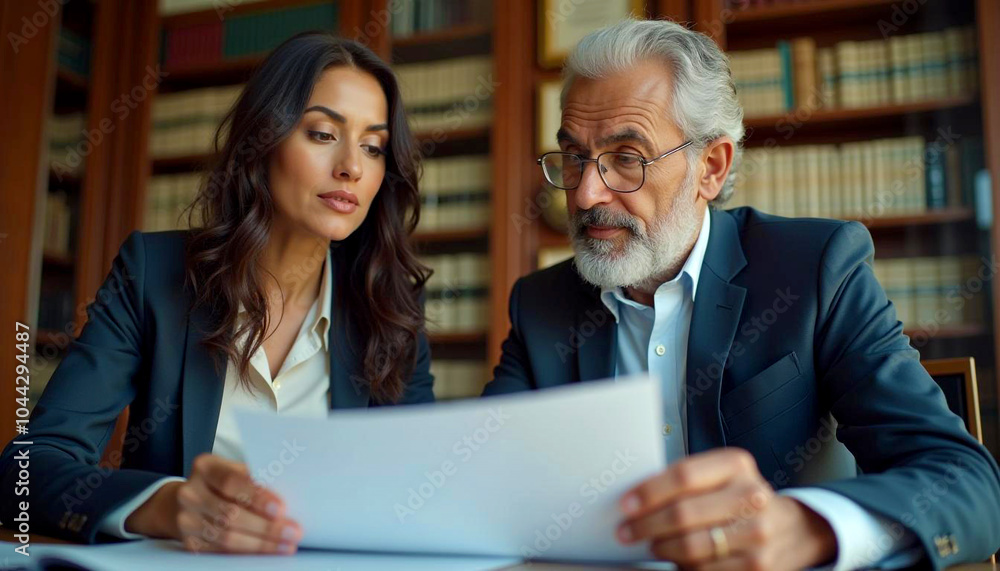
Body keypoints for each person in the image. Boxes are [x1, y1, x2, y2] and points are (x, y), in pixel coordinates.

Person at [484, 18, 1000, 570]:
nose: (586, 193)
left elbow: (964, 483)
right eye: (574, 157)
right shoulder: (541, 305)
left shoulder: (813, 269)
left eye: (626, 159)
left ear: (711, 167)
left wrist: (807, 528)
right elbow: (483, 487)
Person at [0, 32, 434, 554]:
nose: (352, 167)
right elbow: (24, 473)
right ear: (264, 137)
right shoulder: (154, 275)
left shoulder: (391, 309)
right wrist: (165, 504)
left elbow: (421, 494)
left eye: (373, 146)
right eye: (322, 134)